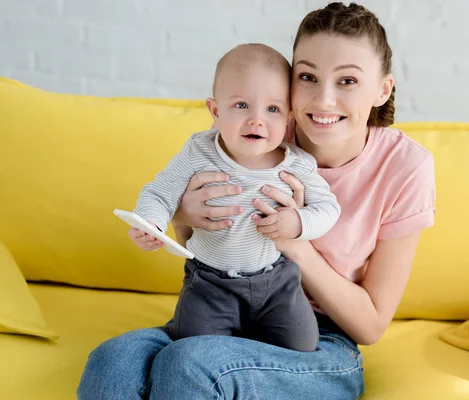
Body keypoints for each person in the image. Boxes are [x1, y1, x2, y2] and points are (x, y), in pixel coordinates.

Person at [77, 3, 436, 400]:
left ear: (382, 88)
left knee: (192, 364)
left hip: (320, 341)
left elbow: (370, 326)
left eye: (347, 81)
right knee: (112, 362)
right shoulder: (260, 129)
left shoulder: (405, 167)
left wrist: (295, 246)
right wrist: (184, 213)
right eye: (308, 77)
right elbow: (200, 233)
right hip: (221, 306)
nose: (323, 99)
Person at [128, 43, 340, 352]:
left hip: (276, 282)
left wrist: (298, 221)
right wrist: (152, 222)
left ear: (288, 118)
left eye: (273, 109)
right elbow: (159, 192)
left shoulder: (296, 162)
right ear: (215, 111)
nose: (257, 120)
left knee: (304, 345)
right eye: (241, 105)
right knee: (195, 350)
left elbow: (328, 208)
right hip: (209, 284)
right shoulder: (197, 152)